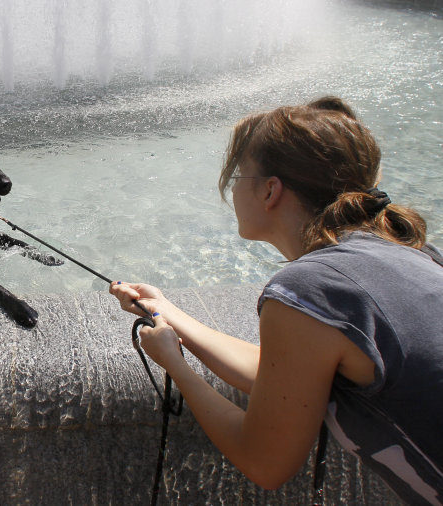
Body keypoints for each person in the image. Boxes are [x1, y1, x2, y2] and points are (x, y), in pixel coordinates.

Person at [110, 96, 443, 505]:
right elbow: (281, 379)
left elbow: (265, 462)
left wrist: (175, 365)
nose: (233, 190)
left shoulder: (312, 287)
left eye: (240, 177)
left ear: (271, 191)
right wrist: (168, 312)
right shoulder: (410, 253)